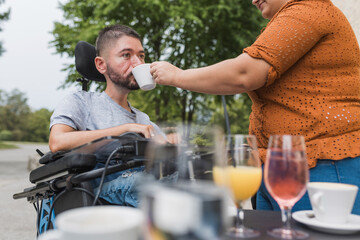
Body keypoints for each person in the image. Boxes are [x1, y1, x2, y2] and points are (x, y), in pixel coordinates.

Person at [150, 0, 360, 214]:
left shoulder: (308, 10)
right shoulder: (290, 19)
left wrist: (177, 76)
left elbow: (245, 74)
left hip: (322, 164)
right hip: (279, 165)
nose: (253, 0)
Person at [49, 24, 164, 207]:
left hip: (144, 187)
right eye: (126, 55)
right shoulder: (81, 101)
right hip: (99, 192)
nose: (138, 63)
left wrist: (174, 143)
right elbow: (57, 141)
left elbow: (171, 154)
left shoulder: (143, 120)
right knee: (141, 183)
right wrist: (125, 129)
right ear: (101, 64)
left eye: (141, 56)